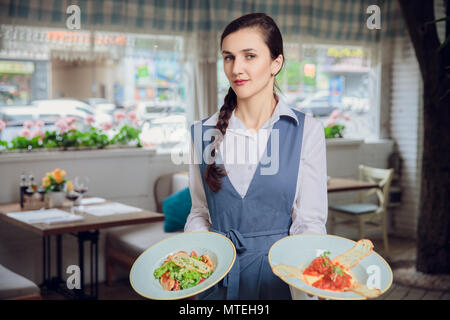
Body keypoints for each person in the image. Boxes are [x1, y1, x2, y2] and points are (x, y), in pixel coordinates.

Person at [185, 13, 328, 300]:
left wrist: (314, 279)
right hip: (218, 279)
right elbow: (200, 211)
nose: (237, 68)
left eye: (250, 56)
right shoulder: (202, 133)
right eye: (228, 57)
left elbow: (308, 220)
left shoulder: (307, 130)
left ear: (276, 63)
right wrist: (196, 263)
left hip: (283, 278)